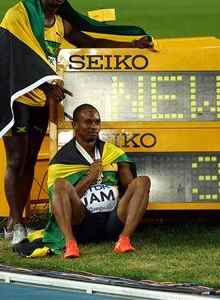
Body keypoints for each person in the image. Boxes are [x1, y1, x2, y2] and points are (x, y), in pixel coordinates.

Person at [0, 0, 155, 249]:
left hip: (41, 103)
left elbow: (89, 42)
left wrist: (130, 45)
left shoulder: (59, 24)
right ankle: (17, 225)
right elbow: (14, 56)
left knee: (30, 162)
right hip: (16, 97)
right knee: (16, 161)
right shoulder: (18, 15)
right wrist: (46, 87)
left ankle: (15, 219)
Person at [42, 104, 150, 258]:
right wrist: (90, 177)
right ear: (75, 125)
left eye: (97, 122)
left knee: (143, 181)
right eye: (88, 122)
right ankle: (71, 243)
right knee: (60, 184)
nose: (94, 126)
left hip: (114, 219)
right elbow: (60, 202)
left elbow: (130, 189)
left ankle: (124, 239)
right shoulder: (61, 161)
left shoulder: (113, 154)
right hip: (83, 222)